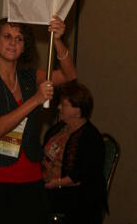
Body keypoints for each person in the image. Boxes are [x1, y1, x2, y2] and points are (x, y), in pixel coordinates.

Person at [0, 15, 77, 224]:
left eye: (19, 38)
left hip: (29, 181)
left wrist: (57, 40)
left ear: (24, 46)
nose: (13, 42)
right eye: (7, 36)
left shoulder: (30, 77)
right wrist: (35, 100)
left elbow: (69, 75)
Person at [42, 81, 107, 224]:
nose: (58, 107)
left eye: (63, 105)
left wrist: (55, 183)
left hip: (77, 199)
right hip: (50, 189)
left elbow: (82, 176)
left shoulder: (91, 138)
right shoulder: (58, 129)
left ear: (77, 111)